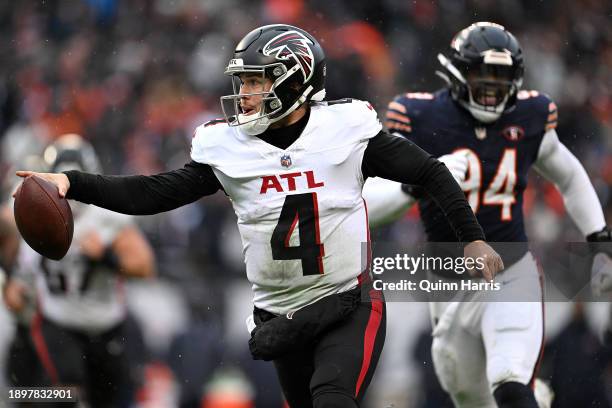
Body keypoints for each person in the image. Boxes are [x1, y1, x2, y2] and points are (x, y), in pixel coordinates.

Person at [17, 24, 503, 408]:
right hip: (278, 314)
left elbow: (431, 172)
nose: (244, 93)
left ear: (294, 79)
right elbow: (156, 193)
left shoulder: (346, 130)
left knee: (333, 398)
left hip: (347, 302)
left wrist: (473, 240)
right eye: (242, 81)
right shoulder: (229, 148)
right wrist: (73, 184)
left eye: (255, 80)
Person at [363, 22, 611, 408]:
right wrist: (420, 179)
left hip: (511, 271)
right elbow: (366, 205)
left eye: (503, 76)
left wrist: (599, 240)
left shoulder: (529, 114)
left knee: (510, 384)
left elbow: (570, 175)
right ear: (459, 73)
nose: (494, 87)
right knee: (471, 398)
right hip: (446, 286)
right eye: (484, 75)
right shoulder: (418, 116)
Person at [13, 134, 156, 408]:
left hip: (105, 326)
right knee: (62, 394)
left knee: (111, 399)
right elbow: (15, 263)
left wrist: (107, 258)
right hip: (58, 322)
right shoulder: (30, 210)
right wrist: (14, 284)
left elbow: (146, 267)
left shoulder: (106, 217)